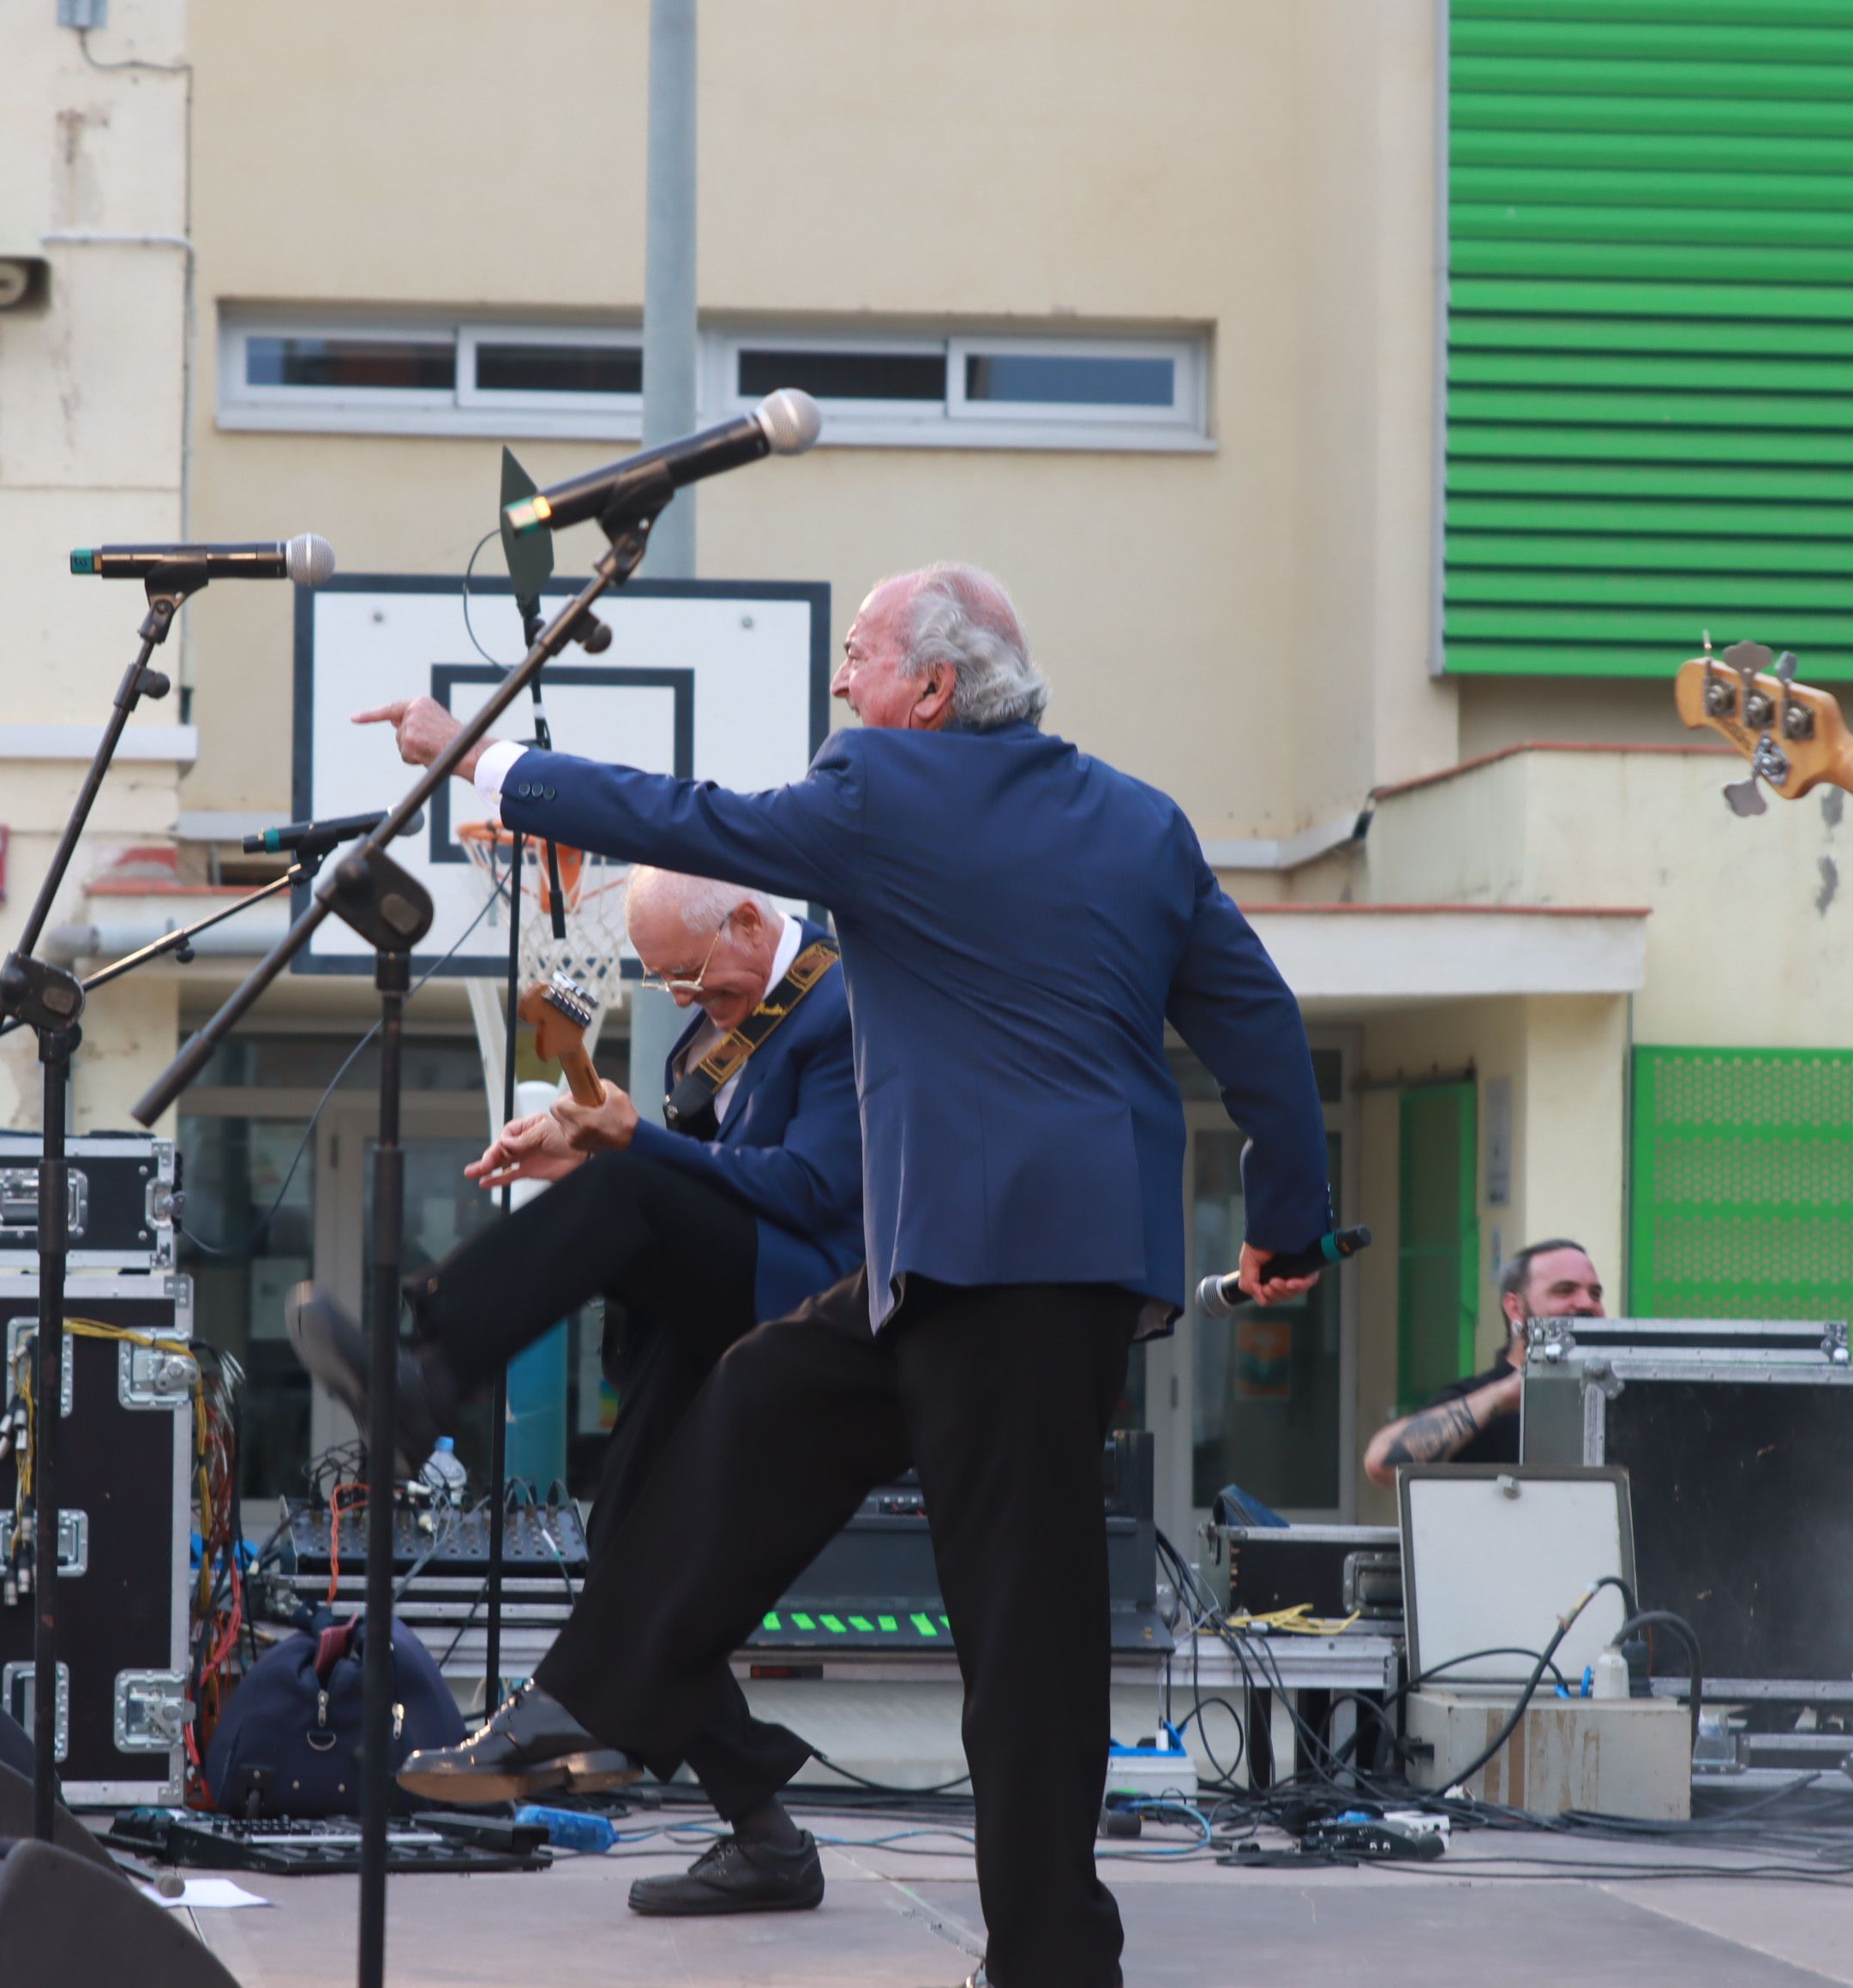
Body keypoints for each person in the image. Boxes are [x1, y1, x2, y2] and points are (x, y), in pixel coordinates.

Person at [357, 563, 1328, 1988]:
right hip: (943, 1268)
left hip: (1024, 1278)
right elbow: (1259, 1030)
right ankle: (586, 1703)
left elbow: (693, 820)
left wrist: (490, 759)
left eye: (858, 655)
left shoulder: (887, 790)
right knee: (760, 1395)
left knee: (1023, 1636)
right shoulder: (1139, 823)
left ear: (931, 692)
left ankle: (1054, 1962)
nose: (838, 684)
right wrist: (1285, 1227)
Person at [286, 864, 860, 1916]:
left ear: (748, 919)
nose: (689, 1002)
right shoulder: (721, 1023)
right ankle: (765, 1835)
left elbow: (816, 1191)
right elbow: (701, 1172)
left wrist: (631, 1149)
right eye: (671, 986)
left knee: (630, 1175)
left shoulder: (846, 1001)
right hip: (710, 1306)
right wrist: (583, 1151)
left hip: (810, 1302)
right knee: (633, 1552)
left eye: (700, 980)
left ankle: (430, 1372)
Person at [1360, 1239, 1604, 1484]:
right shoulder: (1483, 1397)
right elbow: (1381, 1463)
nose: (1587, 1304)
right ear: (1515, 1308)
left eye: (1595, 1294)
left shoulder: (1615, 1393)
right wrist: (1508, 1394)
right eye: (1565, 1290)